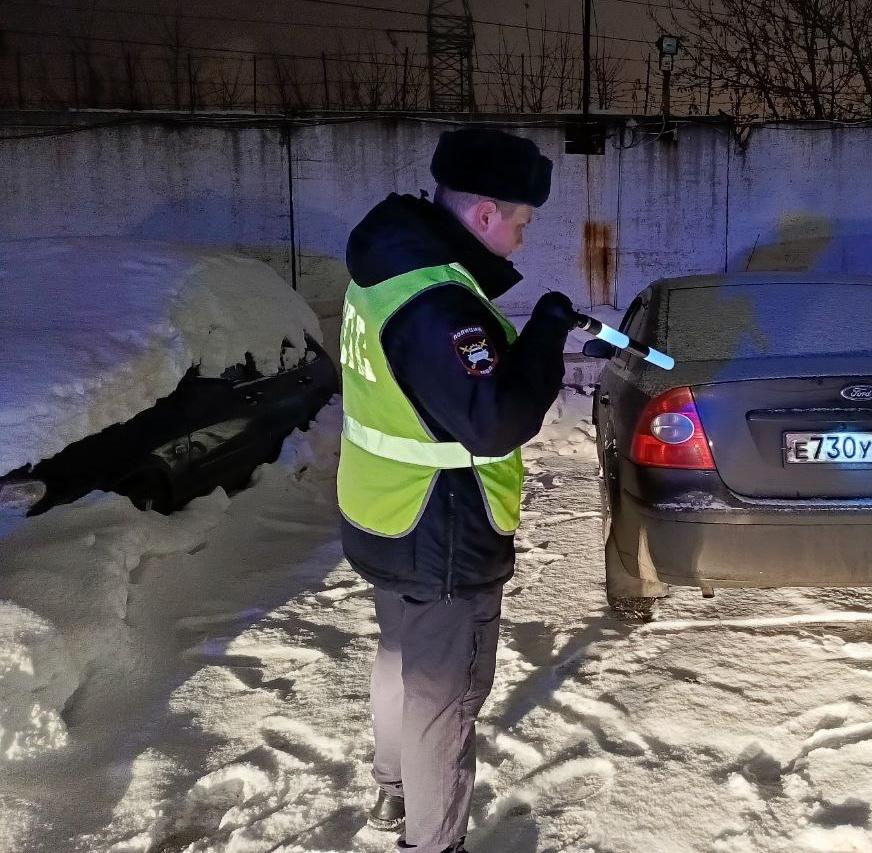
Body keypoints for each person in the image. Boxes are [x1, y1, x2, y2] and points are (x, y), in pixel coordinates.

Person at [336, 127, 577, 852]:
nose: (523, 239)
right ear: (483, 215)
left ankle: (394, 788)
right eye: (521, 222)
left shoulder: (389, 265)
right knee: (445, 698)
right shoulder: (438, 302)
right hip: (438, 526)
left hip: (381, 508)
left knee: (399, 655)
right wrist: (546, 336)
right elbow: (497, 419)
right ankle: (431, 839)